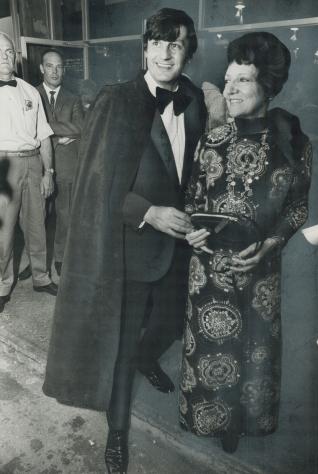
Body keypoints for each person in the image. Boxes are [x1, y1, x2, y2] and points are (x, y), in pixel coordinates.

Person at [42, 8, 206, 473]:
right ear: (145, 48)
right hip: (129, 248)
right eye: (158, 43)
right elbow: (99, 186)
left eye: (176, 44)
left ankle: (146, 357)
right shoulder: (117, 100)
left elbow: (194, 169)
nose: (166, 53)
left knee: (174, 322)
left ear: (187, 52)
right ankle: (117, 431)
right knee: (118, 340)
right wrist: (149, 212)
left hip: (181, 244)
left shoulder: (194, 99)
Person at [180, 32, 312, 453]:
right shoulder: (213, 138)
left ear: (268, 87)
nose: (229, 90)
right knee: (213, 357)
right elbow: (193, 201)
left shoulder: (294, 143)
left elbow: (297, 209)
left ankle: (242, 424)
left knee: (254, 358)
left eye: (242, 81)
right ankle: (217, 423)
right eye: (227, 79)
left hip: (262, 277)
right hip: (208, 276)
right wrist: (193, 231)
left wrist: (271, 245)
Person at [0, 32, 57, 314]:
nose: (5, 57)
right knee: (3, 231)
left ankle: (41, 277)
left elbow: (44, 135)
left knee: (37, 224)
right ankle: (2, 284)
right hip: (3, 166)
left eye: (9, 51)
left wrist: (49, 171)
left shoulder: (29, 91)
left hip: (34, 162)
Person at [38, 49, 84, 276]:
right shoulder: (30, 94)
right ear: (41, 68)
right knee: (35, 217)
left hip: (67, 166)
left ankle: (60, 257)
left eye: (59, 67)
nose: (55, 71)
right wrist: (60, 134)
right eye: (49, 66)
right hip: (37, 166)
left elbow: (80, 128)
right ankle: (34, 262)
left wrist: (44, 128)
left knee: (64, 215)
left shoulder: (73, 97)